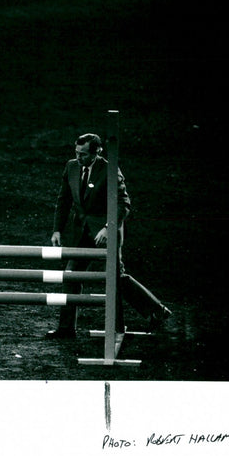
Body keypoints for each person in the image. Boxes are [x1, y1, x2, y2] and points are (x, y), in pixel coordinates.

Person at [47, 133, 172, 338]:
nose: (79, 158)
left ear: (97, 152)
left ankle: (156, 311)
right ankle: (66, 329)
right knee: (71, 276)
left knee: (115, 277)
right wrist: (57, 230)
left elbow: (124, 204)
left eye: (84, 155)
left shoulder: (110, 170)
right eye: (76, 153)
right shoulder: (71, 167)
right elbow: (64, 199)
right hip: (81, 231)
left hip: (106, 230)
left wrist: (108, 227)